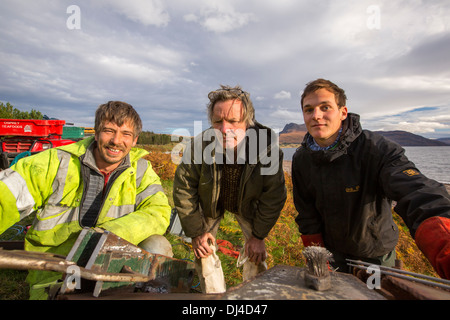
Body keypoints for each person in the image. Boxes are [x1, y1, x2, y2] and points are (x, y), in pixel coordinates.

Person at [0, 101, 172, 299]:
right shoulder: (57, 162)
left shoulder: (141, 171)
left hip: (111, 269)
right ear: (97, 133)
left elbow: (159, 211)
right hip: (56, 270)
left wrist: (106, 236)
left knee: (158, 244)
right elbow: (8, 193)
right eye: (109, 131)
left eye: (126, 134)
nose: (116, 141)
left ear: (134, 140)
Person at [292, 79, 450, 279]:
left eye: (325, 107)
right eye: (308, 110)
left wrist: (444, 238)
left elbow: (417, 191)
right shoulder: (302, 159)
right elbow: (307, 212)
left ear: (343, 112)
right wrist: (317, 253)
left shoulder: (376, 149)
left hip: (375, 255)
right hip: (332, 255)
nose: (316, 116)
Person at [173, 85, 287, 293]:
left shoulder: (267, 148)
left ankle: (254, 298)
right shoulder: (199, 145)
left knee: (256, 254)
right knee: (203, 252)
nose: (225, 129)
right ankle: (214, 298)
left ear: (247, 122)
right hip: (211, 203)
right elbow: (184, 187)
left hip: (248, 204)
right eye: (218, 122)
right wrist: (197, 232)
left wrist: (259, 236)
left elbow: (274, 196)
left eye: (234, 121)